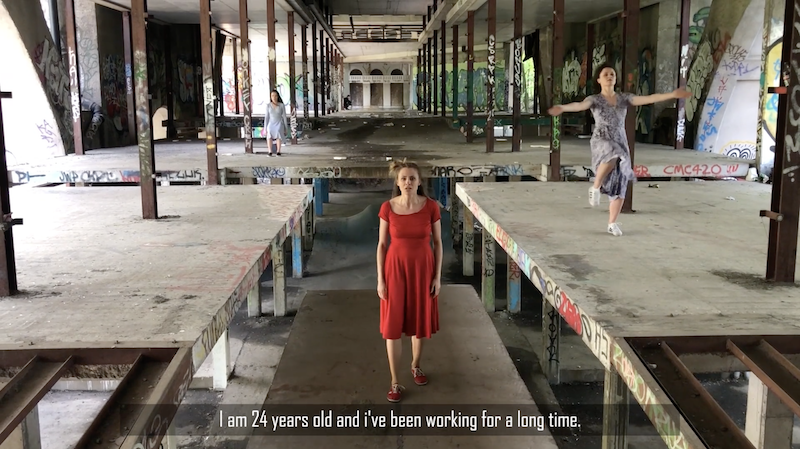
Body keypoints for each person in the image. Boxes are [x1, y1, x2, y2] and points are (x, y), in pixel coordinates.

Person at [547, 64, 691, 236]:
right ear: (599, 79)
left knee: (621, 181)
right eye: (605, 74)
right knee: (612, 152)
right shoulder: (594, 99)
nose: (609, 76)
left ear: (615, 78)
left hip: (619, 138)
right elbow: (579, 105)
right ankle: (595, 186)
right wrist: (562, 108)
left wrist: (673, 95)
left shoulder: (624, 98)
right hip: (602, 138)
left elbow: (649, 98)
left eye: (612, 74)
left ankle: (612, 223)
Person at [376, 159, 443, 403]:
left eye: (412, 178)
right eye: (403, 178)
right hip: (395, 270)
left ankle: (416, 365)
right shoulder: (387, 208)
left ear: (419, 182)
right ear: (397, 182)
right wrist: (380, 279)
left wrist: (437, 276)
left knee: (418, 321)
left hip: (423, 270)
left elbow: (438, 243)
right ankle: (395, 381)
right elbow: (382, 245)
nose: (408, 182)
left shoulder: (431, 207)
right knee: (392, 327)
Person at [265, 90, 289, 156]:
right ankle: (270, 151)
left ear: (278, 96)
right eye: (272, 96)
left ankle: (278, 151)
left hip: (279, 122)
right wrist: (265, 129)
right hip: (271, 123)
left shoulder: (281, 105)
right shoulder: (268, 106)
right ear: (270, 97)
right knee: (269, 132)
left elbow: (284, 117)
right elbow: (266, 117)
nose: (274, 97)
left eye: (275, 96)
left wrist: (286, 128)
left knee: (278, 131)